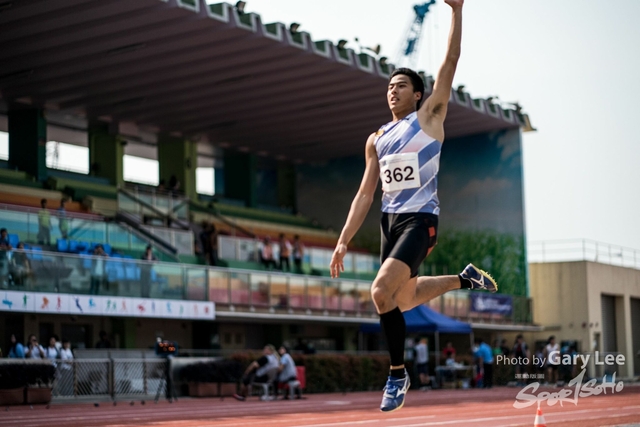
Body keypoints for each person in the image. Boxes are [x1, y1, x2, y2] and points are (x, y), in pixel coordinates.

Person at [328, 0, 496, 413]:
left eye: (401, 85)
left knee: (379, 291)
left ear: (418, 94)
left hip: (421, 221)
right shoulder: (376, 139)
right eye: (389, 86)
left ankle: (398, 374)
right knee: (399, 302)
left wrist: (456, 12)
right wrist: (343, 240)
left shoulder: (429, 117)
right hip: (389, 222)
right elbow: (365, 194)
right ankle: (463, 279)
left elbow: (450, 61)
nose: (393, 90)